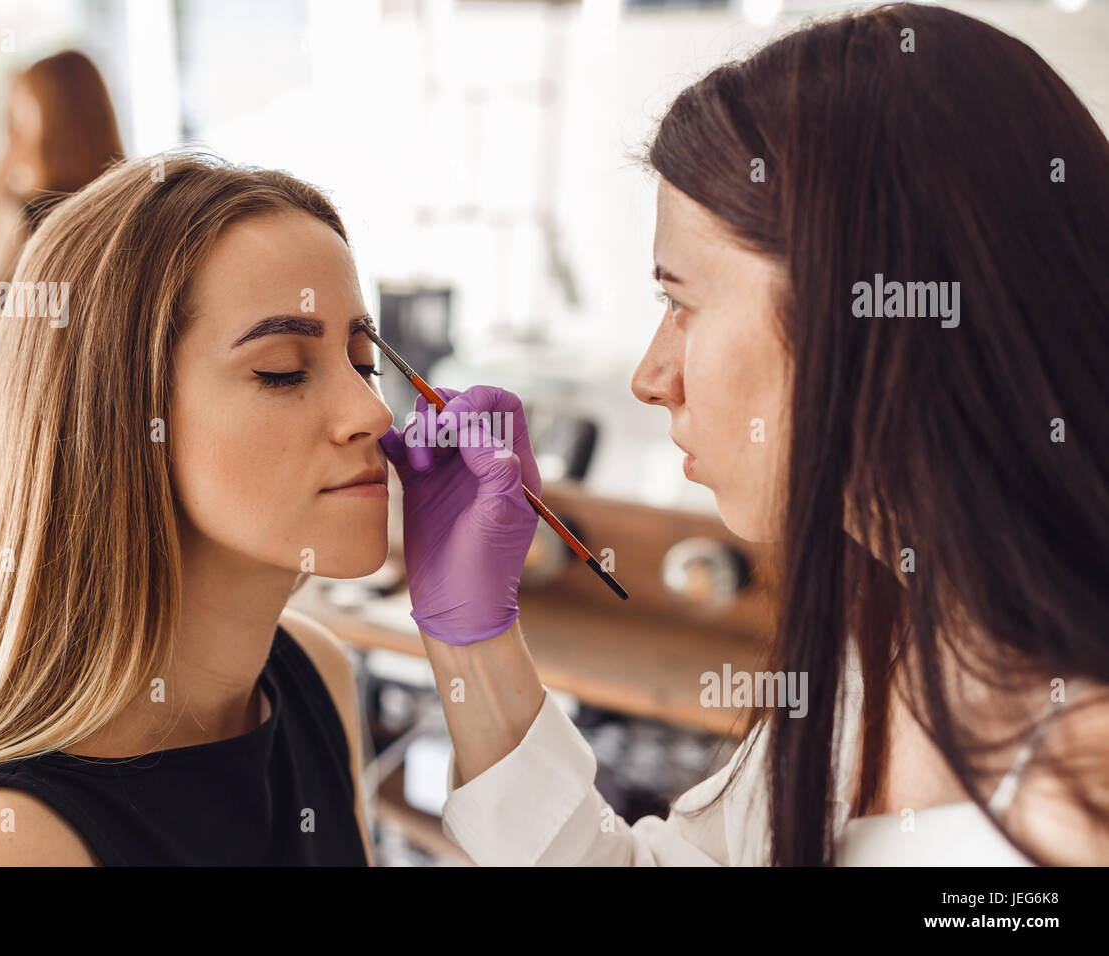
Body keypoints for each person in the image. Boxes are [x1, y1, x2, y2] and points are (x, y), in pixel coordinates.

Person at [380, 3, 1109, 865]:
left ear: (869, 319)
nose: (651, 379)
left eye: (680, 302)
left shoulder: (1074, 809)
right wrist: (473, 644)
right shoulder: (883, 635)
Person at [0, 151, 391, 866]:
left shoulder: (311, 677)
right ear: (123, 421)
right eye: (282, 371)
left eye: (365, 361)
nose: (372, 412)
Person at [0, 50, 123, 346]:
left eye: (16, 122)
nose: (10, 138)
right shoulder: (127, 200)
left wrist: (6, 209)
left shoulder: (41, 215)